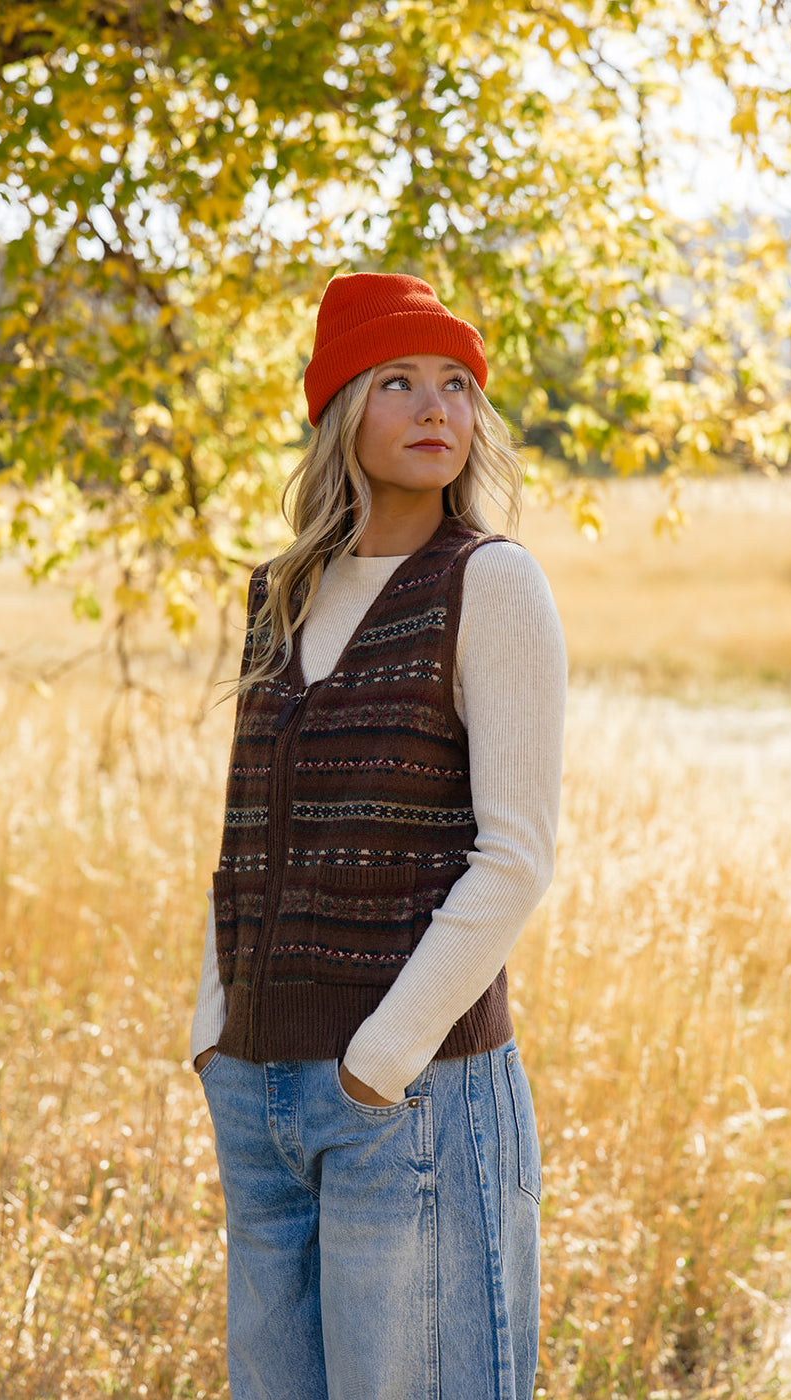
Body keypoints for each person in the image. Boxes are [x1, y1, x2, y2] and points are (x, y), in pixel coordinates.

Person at [191, 271, 567, 1400]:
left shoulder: (487, 583)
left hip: (410, 1098)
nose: (435, 406)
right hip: (257, 1091)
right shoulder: (280, 594)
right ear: (340, 409)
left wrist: (377, 1065)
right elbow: (245, 832)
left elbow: (516, 856)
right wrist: (214, 1032)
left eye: (456, 383)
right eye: (398, 380)